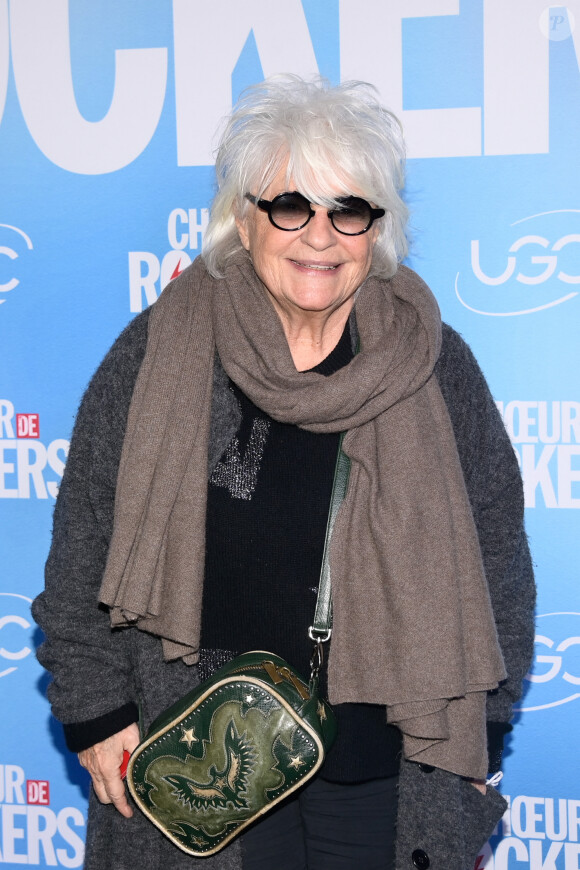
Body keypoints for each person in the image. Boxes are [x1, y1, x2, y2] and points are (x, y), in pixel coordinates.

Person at [33, 76, 535, 870]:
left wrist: (484, 738)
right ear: (245, 218)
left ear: (377, 228)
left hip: (389, 764)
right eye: (291, 205)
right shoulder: (160, 351)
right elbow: (83, 548)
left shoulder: (435, 367)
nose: (320, 236)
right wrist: (96, 712)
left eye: (349, 209)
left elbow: (499, 559)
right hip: (202, 756)